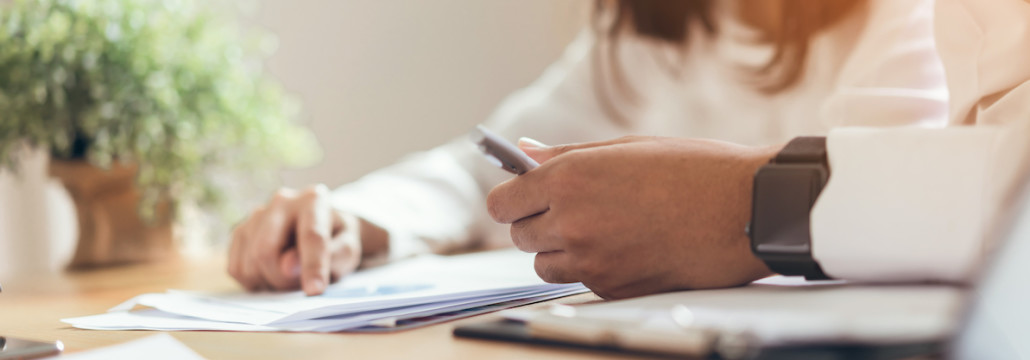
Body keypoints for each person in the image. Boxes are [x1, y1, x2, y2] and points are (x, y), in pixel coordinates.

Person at [228, 0, 1030, 299]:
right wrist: (359, 216)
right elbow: (483, 160)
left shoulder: (905, 19)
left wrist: (724, 205)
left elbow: (884, 183)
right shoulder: (645, 32)